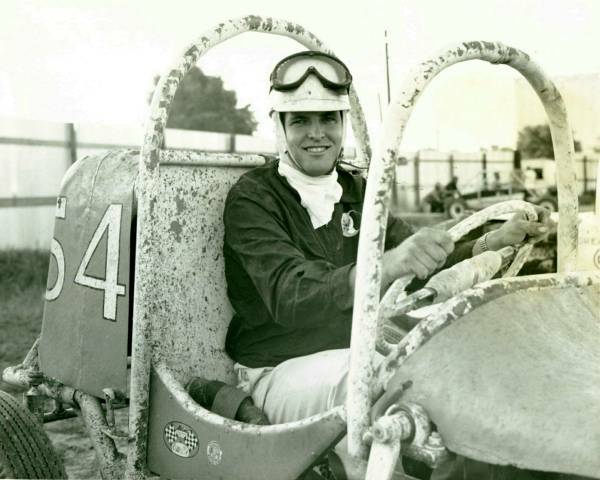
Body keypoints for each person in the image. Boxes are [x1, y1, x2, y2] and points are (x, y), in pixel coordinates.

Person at [222, 50, 552, 478]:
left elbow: (416, 251)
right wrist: (387, 265)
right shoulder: (254, 199)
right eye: (301, 120)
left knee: (466, 359)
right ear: (281, 127)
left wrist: (491, 240)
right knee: (388, 383)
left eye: (328, 119)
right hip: (278, 369)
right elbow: (292, 294)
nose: (316, 133)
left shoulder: (356, 189)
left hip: (354, 351)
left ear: (342, 124)